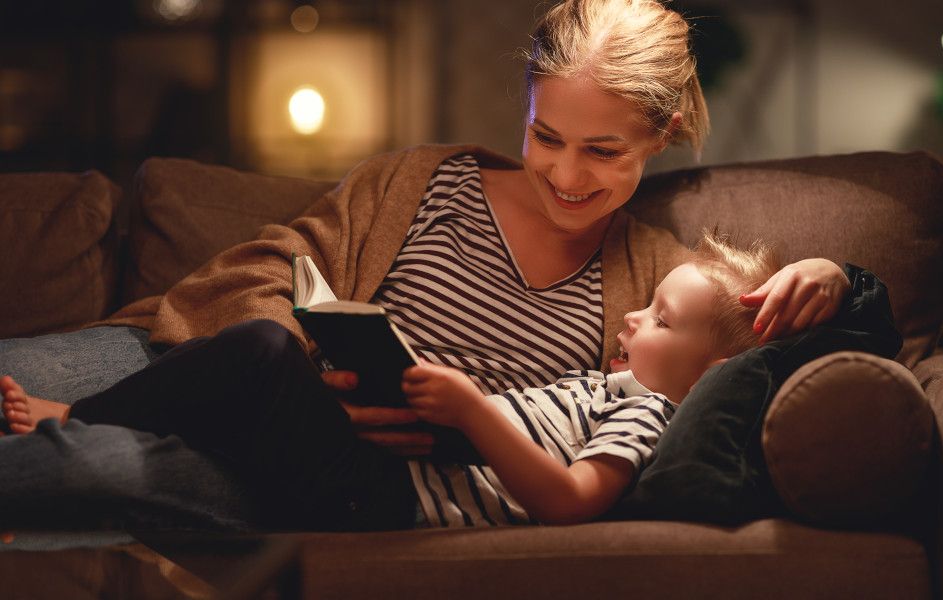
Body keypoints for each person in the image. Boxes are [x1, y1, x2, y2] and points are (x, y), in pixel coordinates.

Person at [0, 0, 850, 531]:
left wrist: (842, 277)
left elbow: (771, 355)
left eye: (603, 151)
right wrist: (307, 360)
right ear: (523, 102)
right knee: (22, 372)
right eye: (545, 136)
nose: (564, 173)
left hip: (345, 477)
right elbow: (280, 264)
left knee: (92, 463)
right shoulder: (423, 182)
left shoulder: (662, 290)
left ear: (659, 139)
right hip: (206, 371)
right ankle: (71, 408)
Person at [1, 231, 780, 528]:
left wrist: (473, 411)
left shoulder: (648, 417)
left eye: (662, 320)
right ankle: (80, 411)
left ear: (711, 373)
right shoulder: (604, 387)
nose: (637, 318)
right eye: (644, 306)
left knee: (266, 353)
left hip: (378, 498)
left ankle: (71, 415)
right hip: (383, 463)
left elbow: (571, 502)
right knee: (262, 354)